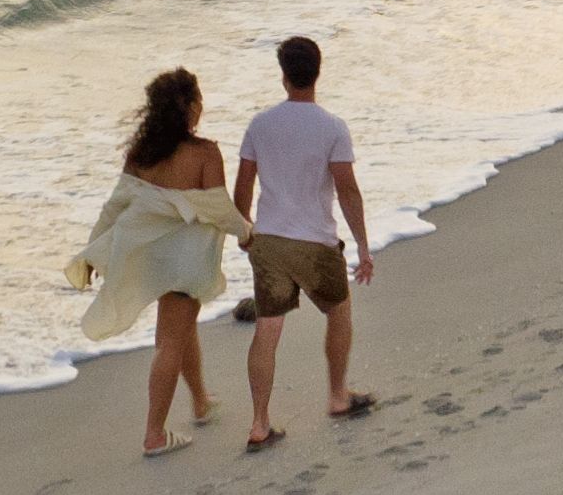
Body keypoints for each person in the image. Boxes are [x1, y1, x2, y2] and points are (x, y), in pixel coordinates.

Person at [66, 65, 254, 459]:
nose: (201, 106)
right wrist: (248, 234)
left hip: (152, 256)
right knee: (170, 339)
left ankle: (201, 401)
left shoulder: (140, 153)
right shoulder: (205, 153)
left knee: (179, 330)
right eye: (198, 99)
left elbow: (115, 206)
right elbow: (220, 210)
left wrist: (92, 250)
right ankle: (154, 433)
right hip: (187, 261)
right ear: (188, 107)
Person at [231, 31, 375, 438]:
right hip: (315, 242)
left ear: (284, 76)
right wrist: (362, 246)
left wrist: (244, 229)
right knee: (339, 313)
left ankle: (259, 423)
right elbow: (347, 189)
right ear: (317, 74)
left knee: (267, 328)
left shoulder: (260, 124)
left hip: (270, 240)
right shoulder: (332, 127)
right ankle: (336, 395)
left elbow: (243, 184)